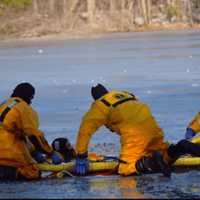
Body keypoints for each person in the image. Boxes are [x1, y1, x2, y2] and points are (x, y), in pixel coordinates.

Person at [74, 83, 200, 177]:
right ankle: (180, 147)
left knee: (126, 170)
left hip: (135, 134)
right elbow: (131, 113)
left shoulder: (100, 105)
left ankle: (152, 164)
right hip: (153, 128)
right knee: (163, 153)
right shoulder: (125, 95)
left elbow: (85, 130)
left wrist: (81, 155)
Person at [0, 82, 62, 180]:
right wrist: (50, 153)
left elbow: (20, 135)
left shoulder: (4, 104)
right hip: (9, 154)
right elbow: (33, 135)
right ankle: (11, 173)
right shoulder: (24, 108)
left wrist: (33, 152)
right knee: (32, 173)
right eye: (31, 98)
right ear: (29, 96)